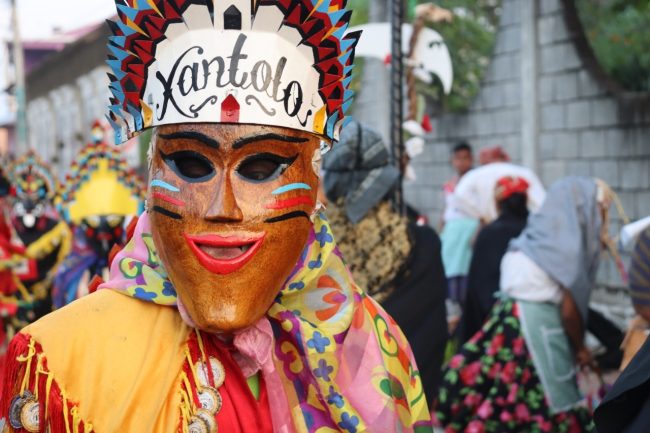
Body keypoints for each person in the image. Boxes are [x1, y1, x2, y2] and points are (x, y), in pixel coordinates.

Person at [0, 2, 432, 432]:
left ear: (315, 183)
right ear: (150, 176)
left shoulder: (372, 348)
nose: (222, 208)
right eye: (191, 164)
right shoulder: (65, 362)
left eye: (261, 168)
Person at [434, 176, 615, 433]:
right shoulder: (563, 247)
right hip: (539, 335)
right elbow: (569, 311)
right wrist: (580, 348)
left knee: (510, 398)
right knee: (549, 403)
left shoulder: (529, 240)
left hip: (505, 329)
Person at [323, 119, 448, 405]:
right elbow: (432, 336)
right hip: (401, 401)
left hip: (332, 406)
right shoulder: (423, 243)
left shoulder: (315, 246)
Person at [52, 139, 144, 308]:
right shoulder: (76, 257)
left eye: (112, 219)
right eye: (94, 221)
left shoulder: (134, 256)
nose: (103, 228)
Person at [458, 176, 529, 344]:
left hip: (493, 322)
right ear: (526, 200)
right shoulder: (536, 231)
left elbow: (476, 286)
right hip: (532, 320)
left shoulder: (489, 233)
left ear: (497, 203)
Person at [5, 151, 71, 331]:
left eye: (35, 194)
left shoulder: (56, 229)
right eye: (23, 193)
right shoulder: (7, 226)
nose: (28, 201)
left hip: (45, 296)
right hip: (13, 297)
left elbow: (62, 262)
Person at [440, 142, 477, 311]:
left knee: (466, 272)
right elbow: (447, 210)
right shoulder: (450, 184)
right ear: (452, 160)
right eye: (458, 158)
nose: (461, 162)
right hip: (452, 234)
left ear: (471, 159)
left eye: (465, 158)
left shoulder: (476, 181)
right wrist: (441, 230)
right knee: (450, 271)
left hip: (468, 232)